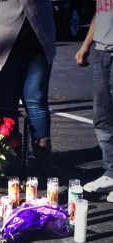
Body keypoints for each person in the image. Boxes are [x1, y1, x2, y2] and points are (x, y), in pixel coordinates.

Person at [0, 0, 61, 177]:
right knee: (6, 104)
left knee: (36, 102)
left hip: (38, 37)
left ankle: (43, 156)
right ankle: (10, 157)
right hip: (3, 36)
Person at [75, 3, 113, 203]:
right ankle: (110, 172)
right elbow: (100, 13)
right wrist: (86, 45)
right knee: (103, 117)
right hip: (102, 52)